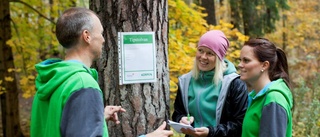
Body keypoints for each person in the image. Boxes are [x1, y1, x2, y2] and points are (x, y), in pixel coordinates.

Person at [30, 7, 173, 137]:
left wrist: (95, 117)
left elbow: (57, 123)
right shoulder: (82, 84)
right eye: (101, 33)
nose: (104, 40)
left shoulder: (48, 81)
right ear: (87, 36)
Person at [172, 30, 248, 137]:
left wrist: (210, 132)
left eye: (210, 53)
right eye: (200, 50)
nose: (203, 57)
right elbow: (178, 112)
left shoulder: (235, 84)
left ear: (219, 57)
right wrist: (181, 119)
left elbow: (239, 124)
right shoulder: (186, 81)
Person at [238, 38, 293, 137]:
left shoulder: (273, 99)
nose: (240, 65)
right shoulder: (256, 96)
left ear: (264, 65)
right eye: (240, 60)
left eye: (246, 60)